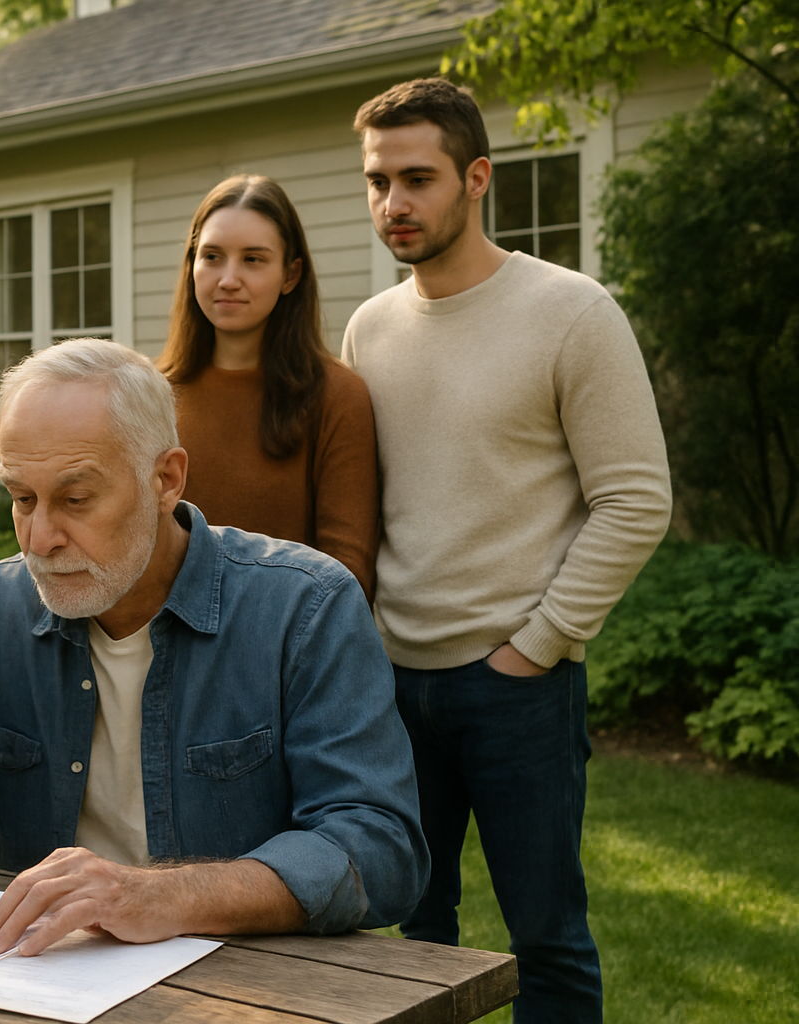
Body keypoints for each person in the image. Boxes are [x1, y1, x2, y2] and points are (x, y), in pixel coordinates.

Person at [0, 337, 426, 957]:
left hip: (253, 989)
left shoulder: (305, 607)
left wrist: (164, 896)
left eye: (75, 499)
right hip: (55, 983)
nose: (39, 537)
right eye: (21, 498)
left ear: (166, 479)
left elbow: (377, 845)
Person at [342, 78, 673, 1023]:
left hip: (519, 685)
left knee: (548, 940)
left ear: (476, 177)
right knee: (410, 931)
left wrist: (538, 645)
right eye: (377, 182)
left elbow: (636, 498)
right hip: (392, 683)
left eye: (417, 179)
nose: (393, 204)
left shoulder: (571, 312)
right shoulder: (371, 327)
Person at [159, 174, 379, 600]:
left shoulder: (337, 396)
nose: (228, 278)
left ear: (291, 274)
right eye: (212, 256)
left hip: (287, 653)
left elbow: (346, 573)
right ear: (192, 266)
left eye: (253, 259)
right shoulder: (152, 394)